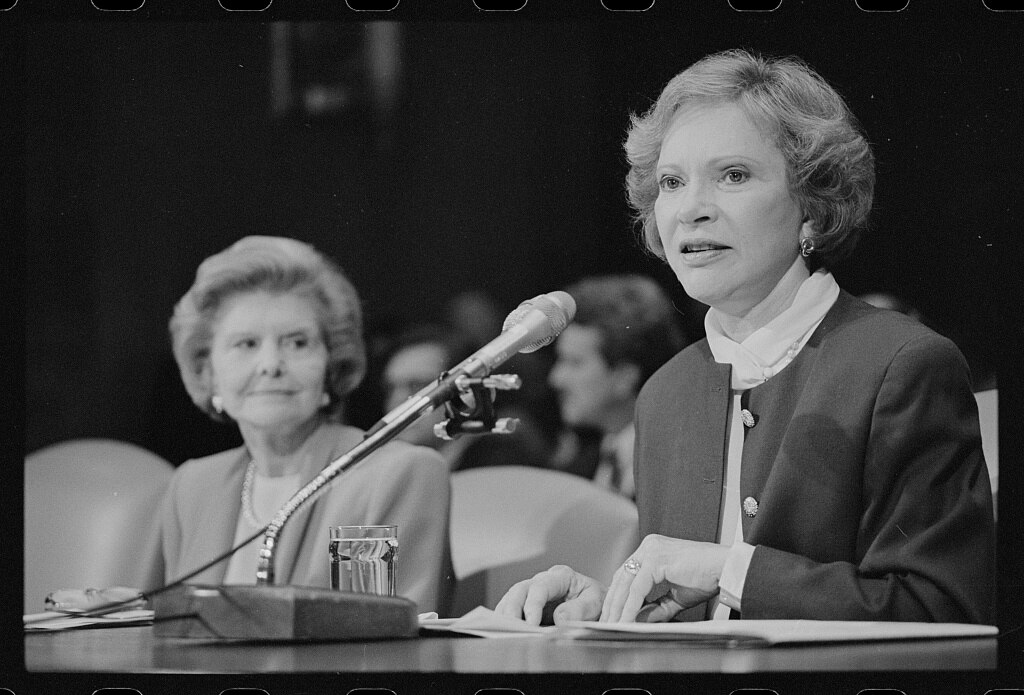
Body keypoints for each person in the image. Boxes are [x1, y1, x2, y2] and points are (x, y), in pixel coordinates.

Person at [496, 49, 995, 625]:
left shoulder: (903, 366)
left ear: (812, 206)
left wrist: (730, 571)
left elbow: (941, 609)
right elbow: (683, 600)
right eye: (672, 182)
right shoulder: (665, 393)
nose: (692, 210)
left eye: (733, 175)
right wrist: (604, 606)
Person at [139, 236, 451, 613]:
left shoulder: (396, 475)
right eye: (246, 344)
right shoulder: (192, 486)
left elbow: (382, 647)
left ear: (331, 364)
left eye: (297, 343)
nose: (271, 364)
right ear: (208, 372)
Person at [547, 274, 687, 499]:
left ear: (625, 377)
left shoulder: (676, 466)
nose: (556, 378)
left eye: (574, 363)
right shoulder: (581, 462)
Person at [381, 322, 552, 472]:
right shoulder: (397, 469)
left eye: (418, 387)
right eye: (390, 388)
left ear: (468, 392)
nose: (397, 401)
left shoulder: (501, 463)